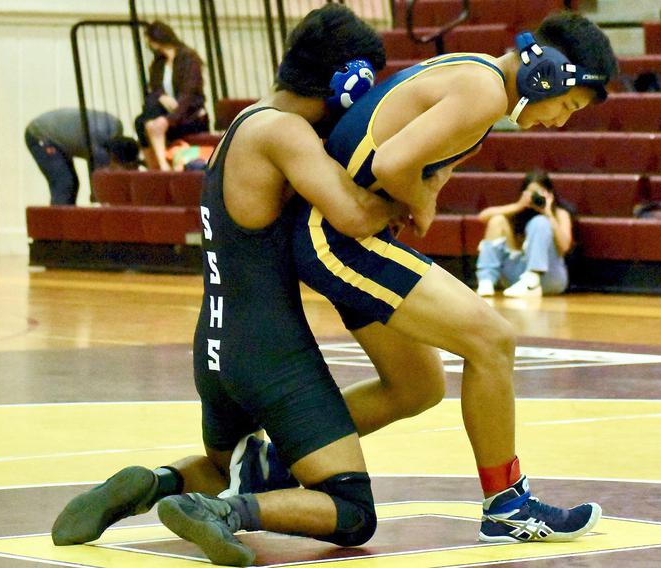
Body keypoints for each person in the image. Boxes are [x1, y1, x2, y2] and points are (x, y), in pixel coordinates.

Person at [213, 11, 618, 546]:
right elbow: (391, 163)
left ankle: (270, 464)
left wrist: (424, 189)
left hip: (342, 238)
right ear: (547, 76)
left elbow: (414, 155)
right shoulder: (483, 92)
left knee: (418, 385)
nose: (560, 121)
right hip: (339, 240)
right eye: (567, 105)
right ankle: (508, 505)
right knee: (493, 341)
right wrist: (422, 198)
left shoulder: (473, 72)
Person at [50, 6, 422, 565]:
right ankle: (221, 512)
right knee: (351, 510)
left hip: (216, 348)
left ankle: (157, 482)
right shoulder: (285, 133)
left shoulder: (246, 123)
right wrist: (416, 190)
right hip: (266, 351)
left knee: (237, 465)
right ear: (351, 84)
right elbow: (353, 215)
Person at [475, 170, 575, 298]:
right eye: (531, 194)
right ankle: (486, 281)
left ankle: (533, 279)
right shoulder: (518, 213)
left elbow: (564, 247)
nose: (535, 198)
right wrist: (518, 206)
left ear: (550, 194)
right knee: (497, 220)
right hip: (518, 278)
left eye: (539, 193)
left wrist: (548, 214)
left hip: (549, 276)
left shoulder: (560, 214)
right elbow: (483, 216)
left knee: (540, 222)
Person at [135, 21, 209, 171]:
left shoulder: (188, 59)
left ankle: (161, 167)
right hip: (167, 111)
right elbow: (155, 89)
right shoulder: (158, 63)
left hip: (188, 115)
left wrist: (169, 119)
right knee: (142, 121)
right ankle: (158, 166)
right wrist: (162, 97)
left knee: (151, 123)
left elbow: (189, 95)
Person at [25, 109, 140, 204]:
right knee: (64, 183)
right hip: (40, 135)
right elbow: (101, 189)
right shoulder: (100, 148)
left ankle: (67, 225)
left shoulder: (115, 129)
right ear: (114, 158)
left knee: (71, 183)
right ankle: (57, 229)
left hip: (58, 130)